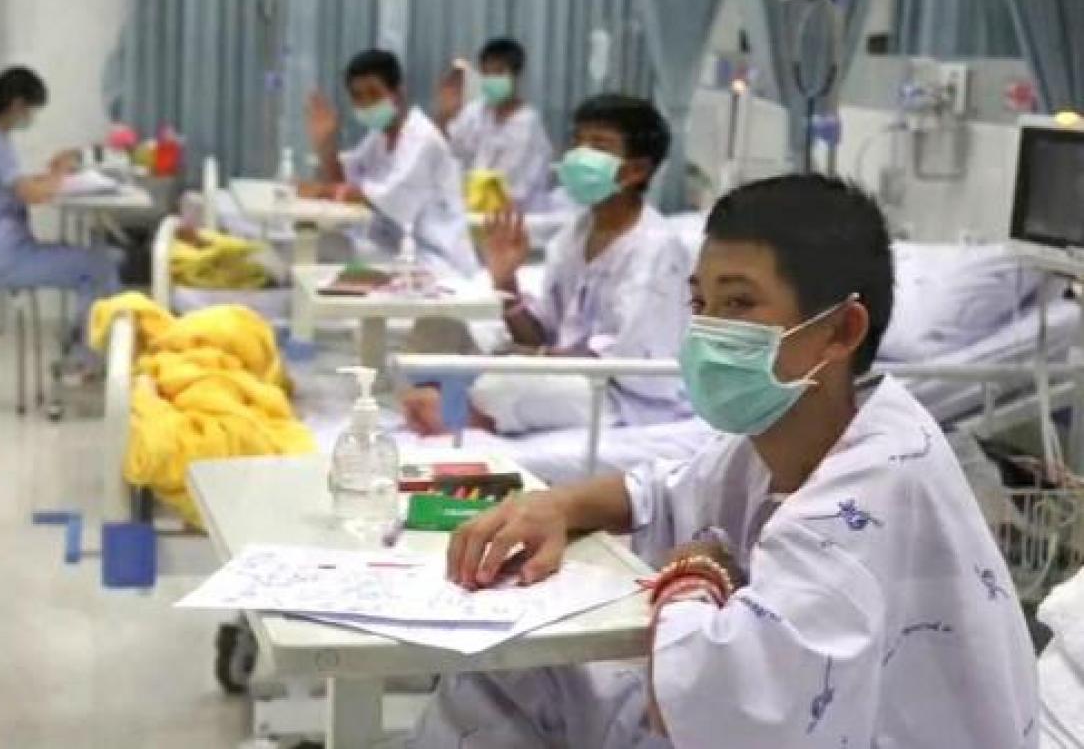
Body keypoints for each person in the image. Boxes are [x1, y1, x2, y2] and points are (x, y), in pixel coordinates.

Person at [406, 175, 1039, 748]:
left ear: (842, 331)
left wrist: (696, 571)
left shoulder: (870, 492)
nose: (705, 332)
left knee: (541, 676)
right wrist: (556, 505)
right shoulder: (782, 435)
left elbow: (713, 705)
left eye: (738, 304)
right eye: (700, 304)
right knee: (517, 669)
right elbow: (662, 491)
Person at [403, 94, 691, 437]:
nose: (579, 154)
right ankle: (452, 404)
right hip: (563, 371)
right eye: (577, 141)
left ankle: (460, 416)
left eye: (598, 145)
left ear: (636, 170)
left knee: (505, 384)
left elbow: (628, 364)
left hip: (619, 397)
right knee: (438, 327)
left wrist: (536, 357)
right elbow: (540, 334)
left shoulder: (656, 249)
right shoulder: (574, 236)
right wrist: (506, 281)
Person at [0, 66, 118, 373]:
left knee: (100, 262)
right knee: (99, 267)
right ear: (17, 104)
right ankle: (84, 359)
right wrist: (60, 172)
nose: (30, 117)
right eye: (31, 110)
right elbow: (30, 194)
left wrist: (52, 174)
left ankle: (83, 347)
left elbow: (16, 185)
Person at [302, 48, 478, 276]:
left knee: (328, 254)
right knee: (323, 245)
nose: (366, 103)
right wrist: (325, 145)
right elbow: (344, 182)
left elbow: (384, 197)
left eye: (373, 93)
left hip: (437, 260)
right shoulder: (378, 138)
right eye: (357, 96)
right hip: (397, 250)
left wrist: (324, 191)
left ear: (398, 93)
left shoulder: (423, 139)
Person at [436, 37, 554, 211]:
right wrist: (444, 115)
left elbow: (511, 186)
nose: (491, 79)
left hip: (517, 213)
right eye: (486, 73)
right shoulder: (476, 111)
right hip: (475, 206)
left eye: (499, 72)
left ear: (516, 75)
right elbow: (451, 148)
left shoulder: (527, 124)